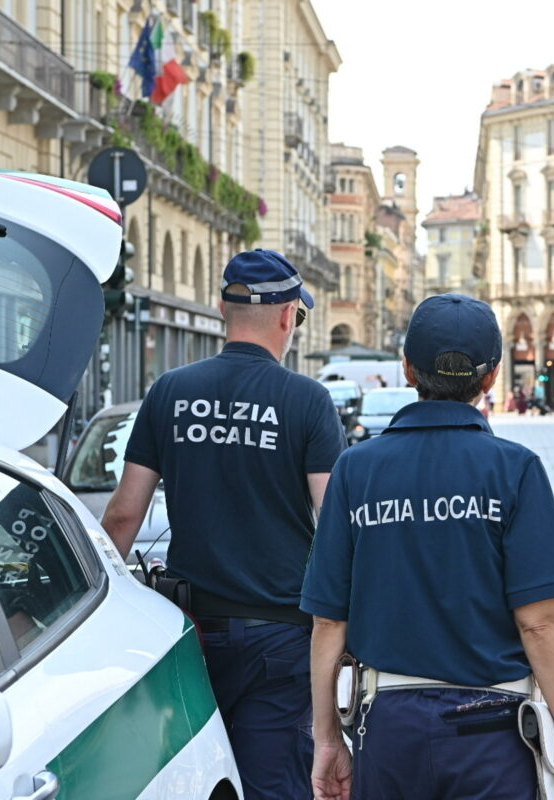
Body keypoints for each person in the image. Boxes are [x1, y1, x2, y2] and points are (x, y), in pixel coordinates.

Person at [303, 294, 554, 800]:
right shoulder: (515, 469)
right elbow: (539, 621)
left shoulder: (357, 469)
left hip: (389, 726)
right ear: (491, 379)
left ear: (407, 370)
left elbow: (329, 622)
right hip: (490, 729)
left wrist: (327, 738)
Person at [101, 249, 347, 800]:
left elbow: (123, 514)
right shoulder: (308, 400)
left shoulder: (170, 391)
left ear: (220, 310)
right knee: (274, 784)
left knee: (195, 777)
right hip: (279, 638)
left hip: (191, 631)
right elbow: (335, 523)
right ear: (288, 317)